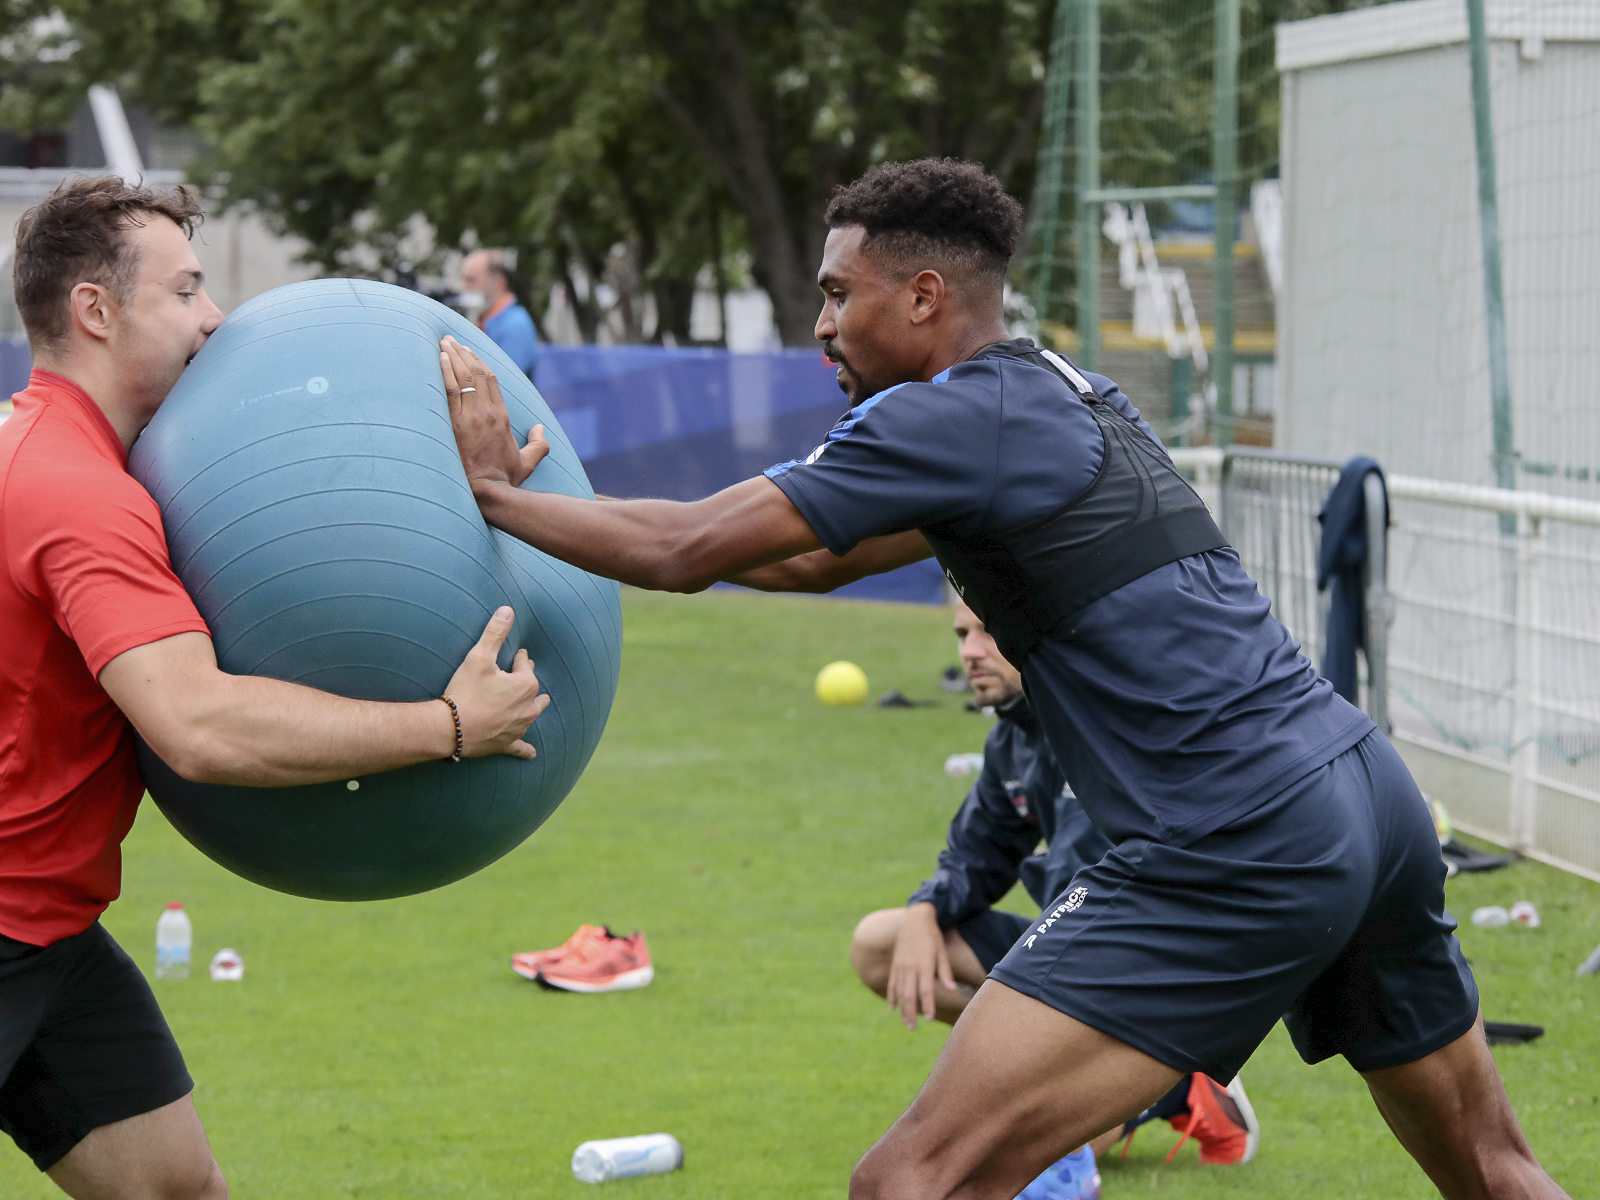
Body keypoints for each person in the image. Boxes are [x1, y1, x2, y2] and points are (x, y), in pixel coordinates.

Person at [439, 158, 1567, 1200]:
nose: (820, 325)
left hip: (1233, 834)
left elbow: (686, 548)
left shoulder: (947, 412)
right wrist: (554, 518)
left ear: (924, 296)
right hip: (1364, 791)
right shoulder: (1059, 391)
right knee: (1491, 1168)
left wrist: (498, 498)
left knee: (910, 1182)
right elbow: (794, 557)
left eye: (839, 296)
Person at [0, 177, 549, 1198]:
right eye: (187, 291)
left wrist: (469, 491)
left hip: (48, 928)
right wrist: (448, 726)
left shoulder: (47, 450)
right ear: (94, 311)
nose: (215, 320)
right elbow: (197, 725)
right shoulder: (78, 493)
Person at [851, 601, 1257, 1199]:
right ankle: (1168, 1085)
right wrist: (924, 910)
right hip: (1064, 950)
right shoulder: (1012, 736)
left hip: (1143, 968)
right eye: (962, 633)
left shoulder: (1107, 718)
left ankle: (1167, 1075)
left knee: (1013, 1151)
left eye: (989, 630)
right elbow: (975, 856)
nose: (970, 651)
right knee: (880, 945)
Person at [460, 249, 539, 380]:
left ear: (499, 282)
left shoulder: (515, 326)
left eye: (471, 280)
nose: (465, 287)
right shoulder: (487, 319)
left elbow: (505, 386)